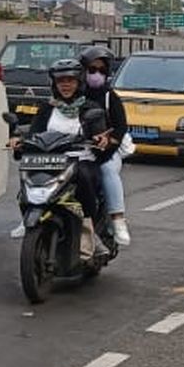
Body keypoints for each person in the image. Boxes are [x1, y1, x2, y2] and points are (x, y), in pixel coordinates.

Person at [11, 59, 111, 232]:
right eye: (60, 81)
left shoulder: (89, 108)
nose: (65, 85)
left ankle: (89, 231)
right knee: (26, 179)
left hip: (79, 160)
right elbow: (34, 133)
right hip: (50, 161)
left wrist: (100, 139)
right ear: (54, 84)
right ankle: (29, 216)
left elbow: (99, 132)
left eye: (70, 80)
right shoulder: (47, 108)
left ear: (79, 83)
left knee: (85, 178)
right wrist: (19, 141)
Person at [80, 45, 131, 245]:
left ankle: (118, 220)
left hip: (106, 152)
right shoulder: (74, 96)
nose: (96, 74)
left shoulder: (111, 97)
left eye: (101, 70)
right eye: (92, 70)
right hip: (77, 149)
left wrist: (107, 142)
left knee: (108, 170)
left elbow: (120, 128)